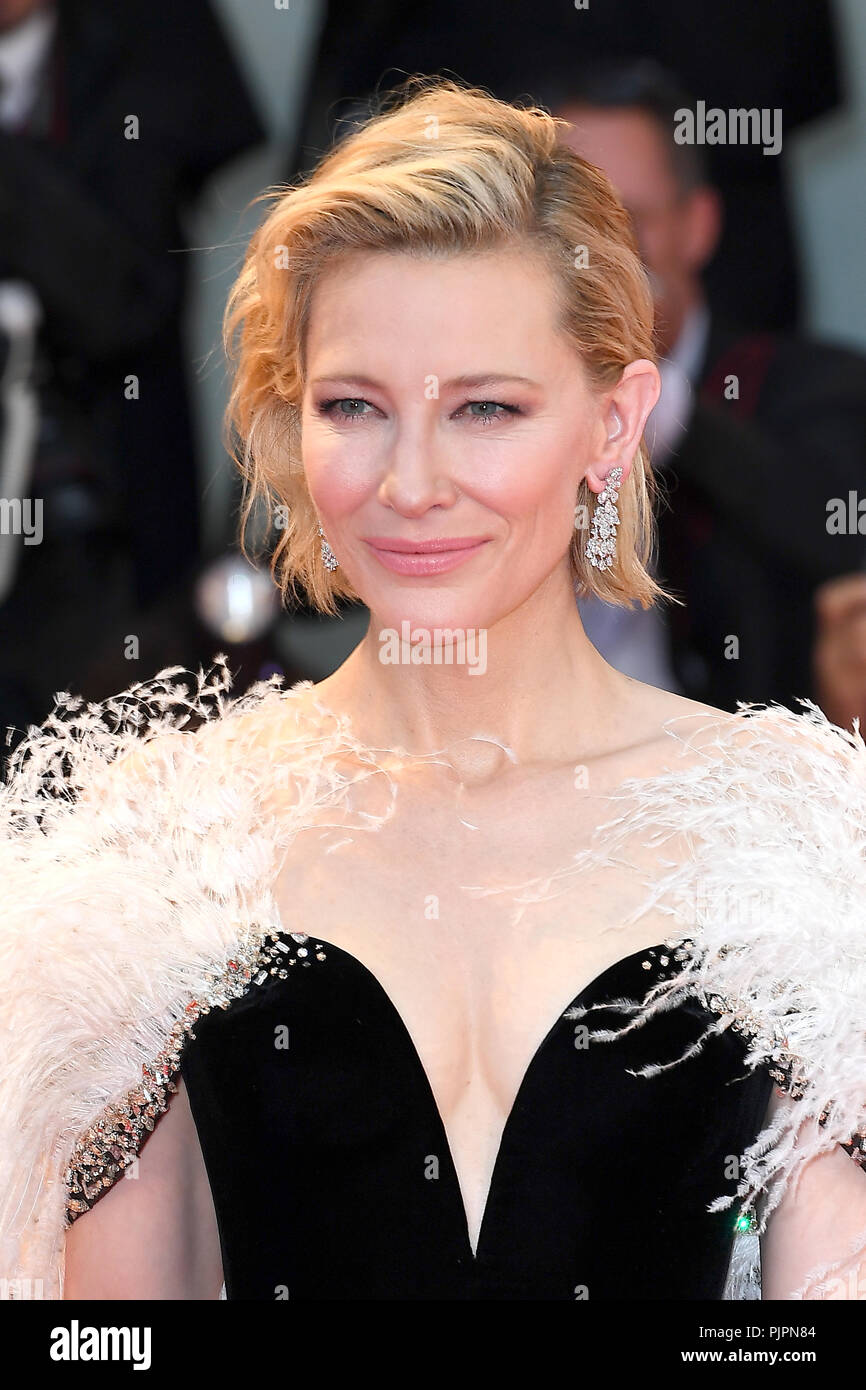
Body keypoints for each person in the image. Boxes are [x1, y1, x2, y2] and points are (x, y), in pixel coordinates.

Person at [2, 76, 866, 1303]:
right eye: (352, 406)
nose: (410, 482)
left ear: (612, 427)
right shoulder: (157, 850)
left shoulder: (796, 842)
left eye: (486, 410)